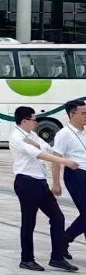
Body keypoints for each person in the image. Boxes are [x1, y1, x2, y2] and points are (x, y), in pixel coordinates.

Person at [12, 105, 79, 270]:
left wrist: (64, 153)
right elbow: (39, 154)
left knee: (58, 217)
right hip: (26, 182)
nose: (36, 123)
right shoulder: (16, 137)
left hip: (40, 182)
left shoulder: (31, 134)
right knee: (29, 221)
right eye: (34, 120)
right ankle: (27, 259)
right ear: (24, 121)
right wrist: (64, 162)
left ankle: (57, 257)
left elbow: (46, 147)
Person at [52, 98, 86, 251]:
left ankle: (62, 243)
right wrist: (56, 183)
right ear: (72, 114)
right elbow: (56, 159)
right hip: (76, 175)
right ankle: (63, 241)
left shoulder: (84, 132)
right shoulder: (63, 134)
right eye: (84, 113)